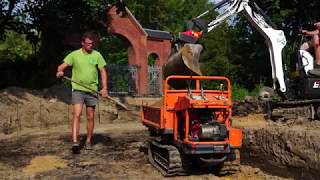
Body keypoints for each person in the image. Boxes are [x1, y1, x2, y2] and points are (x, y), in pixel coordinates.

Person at [56, 32, 107, 152]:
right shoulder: (74, 55)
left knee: (90, 117)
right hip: (78, 90)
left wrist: (104, 88)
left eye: (92, 43)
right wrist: (60, 72)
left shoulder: (97, 55)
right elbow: (61, 67)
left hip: (92, 90)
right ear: (82, 43)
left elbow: (103, 71)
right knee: (76, 114)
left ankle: (88, 141)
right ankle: (75, 142)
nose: (91, 45)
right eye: (88, 43)